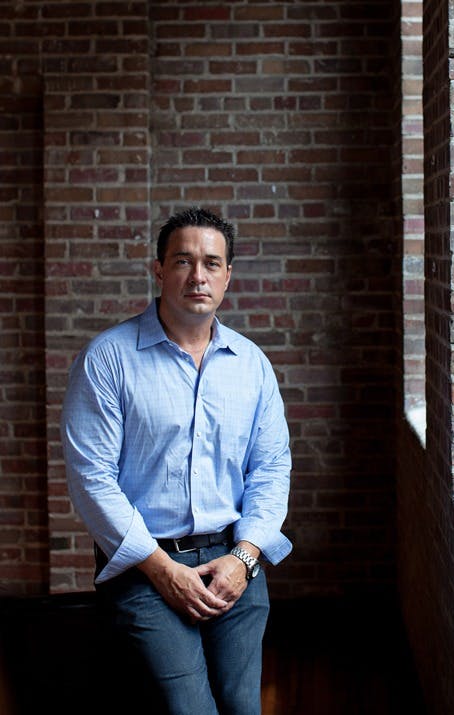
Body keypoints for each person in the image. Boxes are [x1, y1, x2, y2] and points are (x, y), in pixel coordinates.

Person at [60, 207, 292, 715]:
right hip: (144, 567)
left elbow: (271, 469)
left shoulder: (252, 365)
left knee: (241, 706)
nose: (198, 275)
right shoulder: (107, 359)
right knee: (187, 707)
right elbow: (91, 478)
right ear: (159, 270)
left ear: (228, 276)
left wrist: (246, 557)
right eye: (183, 261)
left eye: (212, 263)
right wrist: (163, 571)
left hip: (234, 562)